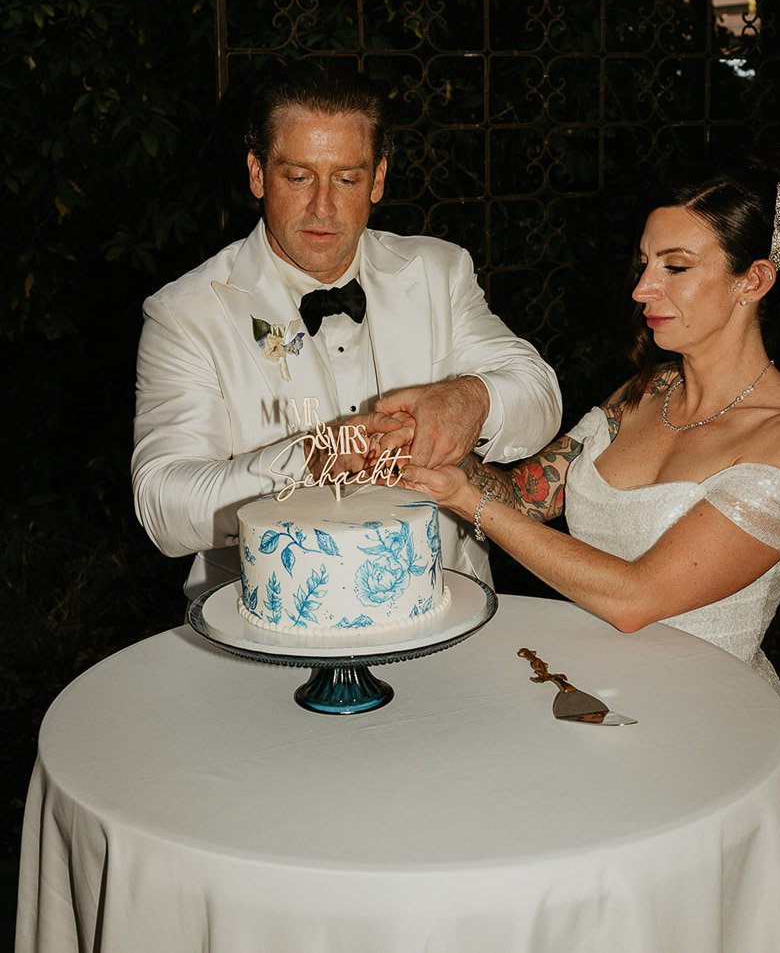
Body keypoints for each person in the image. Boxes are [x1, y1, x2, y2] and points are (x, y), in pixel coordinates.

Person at [399, 146, 780, 950]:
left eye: (675, 267)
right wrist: (436, 455)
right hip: (573, 695)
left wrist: (467, 500)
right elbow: (529, 493)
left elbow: (639, 597)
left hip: (700, 734)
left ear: (754, 280)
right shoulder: (642, 393)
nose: (642, 289)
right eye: (643, 264)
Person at [131, 60, 562, 599]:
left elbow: (538, 391)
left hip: (446, 606)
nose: (323, 206)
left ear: (377, 179)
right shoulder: (186, 312)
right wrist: (312, 457)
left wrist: (473, 398)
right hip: (273, 625)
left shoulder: (438, 271)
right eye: (298, 176)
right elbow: (163, 505)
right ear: (257, 174)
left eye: (347, 179)